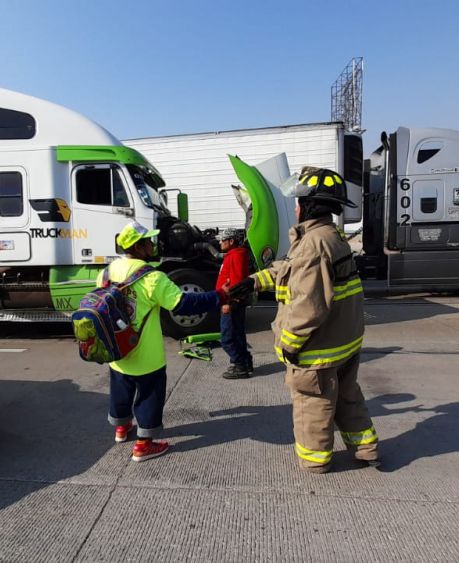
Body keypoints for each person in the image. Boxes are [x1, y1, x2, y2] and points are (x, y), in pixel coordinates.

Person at [229, 167, 378, 473]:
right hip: (343, 340)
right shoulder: (327, 237)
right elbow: (291, 271)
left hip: (319, 347)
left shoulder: (312, 245)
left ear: (309, 205)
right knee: (348, 395)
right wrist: (255, 281)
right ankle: (365, 448)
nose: (295, 207)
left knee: (313, 402)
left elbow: (309, 305)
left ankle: (315, 461)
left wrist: (288, 343)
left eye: (298, 202)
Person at [103, 221, 226, 462]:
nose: (152, 244)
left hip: (118, 349)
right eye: (148, 241)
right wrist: (219, 296)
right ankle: (143, 445)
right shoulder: (152, 278)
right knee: (149, 394)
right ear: (138, 248)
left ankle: (121, 428)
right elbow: (184, 304)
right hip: (146, 355)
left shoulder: (107, 271)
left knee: (121, 388)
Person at [216, 228, 254, 379]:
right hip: (233, 302)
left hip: (231, 303)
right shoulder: (234, 255)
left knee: (227, 338)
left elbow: (237, 281)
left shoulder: (236, 256)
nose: (220, 242)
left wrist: (229, 302)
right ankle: (245, 361)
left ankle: (239, 365)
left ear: (231, 241)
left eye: (223, 240)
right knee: (237, 334)